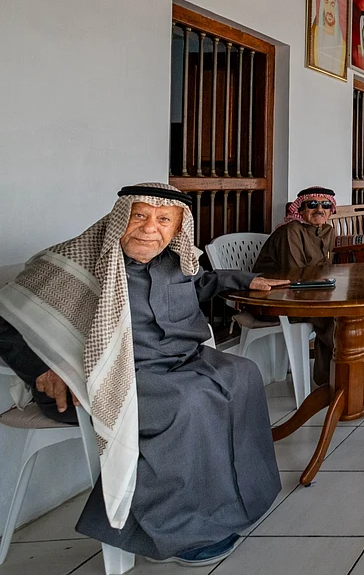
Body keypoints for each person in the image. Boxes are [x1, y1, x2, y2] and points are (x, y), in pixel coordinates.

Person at [0, 184, 291, 566]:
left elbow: (199, 283)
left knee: (244, 374)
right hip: (108, 376)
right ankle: (177, 532)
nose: (150, 228)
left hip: (179, 361)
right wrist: (39, 368)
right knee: (187, 402)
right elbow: (6, 316)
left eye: (163, 219)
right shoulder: (75, 262)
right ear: (121, 217)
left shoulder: (173, 260)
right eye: (139, 216)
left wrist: (243, 279)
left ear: (177, 228)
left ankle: (241, 499)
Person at [253, 187, 364, 385]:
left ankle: (341, 374)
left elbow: (324, 269)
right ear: (300, 209)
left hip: (309, 290)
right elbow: (295, 275)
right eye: (312, 204)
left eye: (325, 205)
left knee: (351, 305)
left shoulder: (327, 231)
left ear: (331, 210)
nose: (319, 209)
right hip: (277, 297)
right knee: (331, 312)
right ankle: (352, 368)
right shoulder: (291, 231)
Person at [309, 0, 345, 75]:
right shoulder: (313, 34)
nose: (329, 10)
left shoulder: (342, 44)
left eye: (332, 4)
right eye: (326, 2)